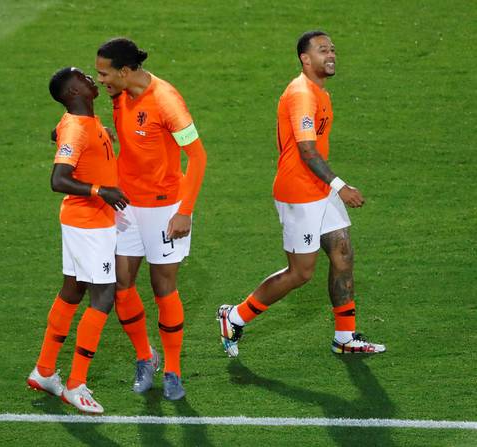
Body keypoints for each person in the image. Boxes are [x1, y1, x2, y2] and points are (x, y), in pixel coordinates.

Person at [217, 30, 385, 357]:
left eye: (333, 49)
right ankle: (234, 316)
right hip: (299, 194)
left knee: (342, 253)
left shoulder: (318, 92)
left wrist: (331, 187)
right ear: (305, 59)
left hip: (318, 189)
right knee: (300, 273)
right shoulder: (302, 95)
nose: (331, 54)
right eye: (323, 50)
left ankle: (345, 337)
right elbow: (307, 151)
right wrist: (342, 187)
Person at [95, 38, 207, 400]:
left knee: (163, 287)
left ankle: (173, 369)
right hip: (126, 205)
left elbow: (198, 157)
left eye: (104, 73)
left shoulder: (167, 102)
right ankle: (145, 357)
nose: (101, 80)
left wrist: (185, 211)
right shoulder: (119, 96)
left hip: (164, 209)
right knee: (121, 283)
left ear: (125, 72)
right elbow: (133, 144)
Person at [26, 67, 129, 414]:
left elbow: (58, 132)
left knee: (72, 290)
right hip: (89, 224)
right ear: (73, 92)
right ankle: (76, 384)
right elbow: (58, 179)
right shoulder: (75, 126)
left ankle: (43, 371)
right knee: (103, 295)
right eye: (84, 78)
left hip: (84, 221)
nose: (91, 79)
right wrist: (101, 190)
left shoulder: (79, 122)